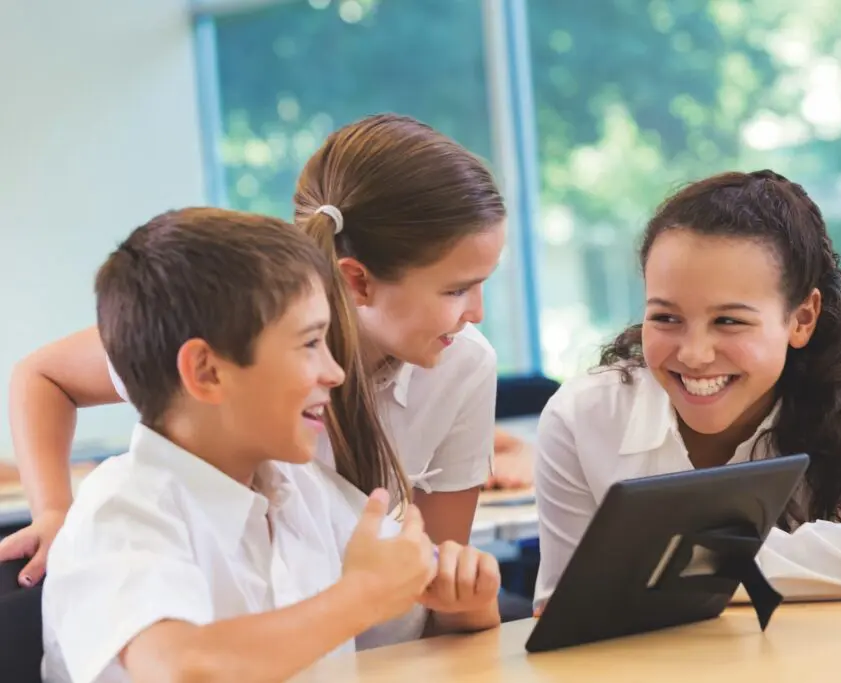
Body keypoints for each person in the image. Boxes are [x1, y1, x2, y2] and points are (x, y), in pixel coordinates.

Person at [2, 114, 512, 586]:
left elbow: (440, 575)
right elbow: (43, 374)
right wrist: (52, 511)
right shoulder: (234, 341)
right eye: (455, 289)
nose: (478, 312)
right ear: (357, 281)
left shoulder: (463, 364)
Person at [42, 208, 500, 683]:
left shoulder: (303, 491)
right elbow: (183, 669)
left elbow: (426, 616)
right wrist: (359, 596)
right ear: (206, 371)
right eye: (309, 344)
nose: (336, 373)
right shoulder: (121, 511)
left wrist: (465, 601)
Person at [532, 170, 841, 611]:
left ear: (801, 319)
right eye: (666, 318)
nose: (694, 354)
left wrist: (684, 563)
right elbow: (564, 607)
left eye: (729, 321)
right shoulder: (581, 417)